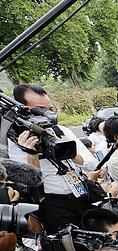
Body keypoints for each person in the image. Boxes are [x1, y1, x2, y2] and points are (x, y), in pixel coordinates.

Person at [8, 84, 99, 233]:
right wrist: (32, 153)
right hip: (53, 205)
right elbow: (30, 182)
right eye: (40, 110)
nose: (47, 115)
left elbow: (91, 165)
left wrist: (70, 153)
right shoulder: (18, 140)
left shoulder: (62, 131)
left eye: (50, 109)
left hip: (81, 194)